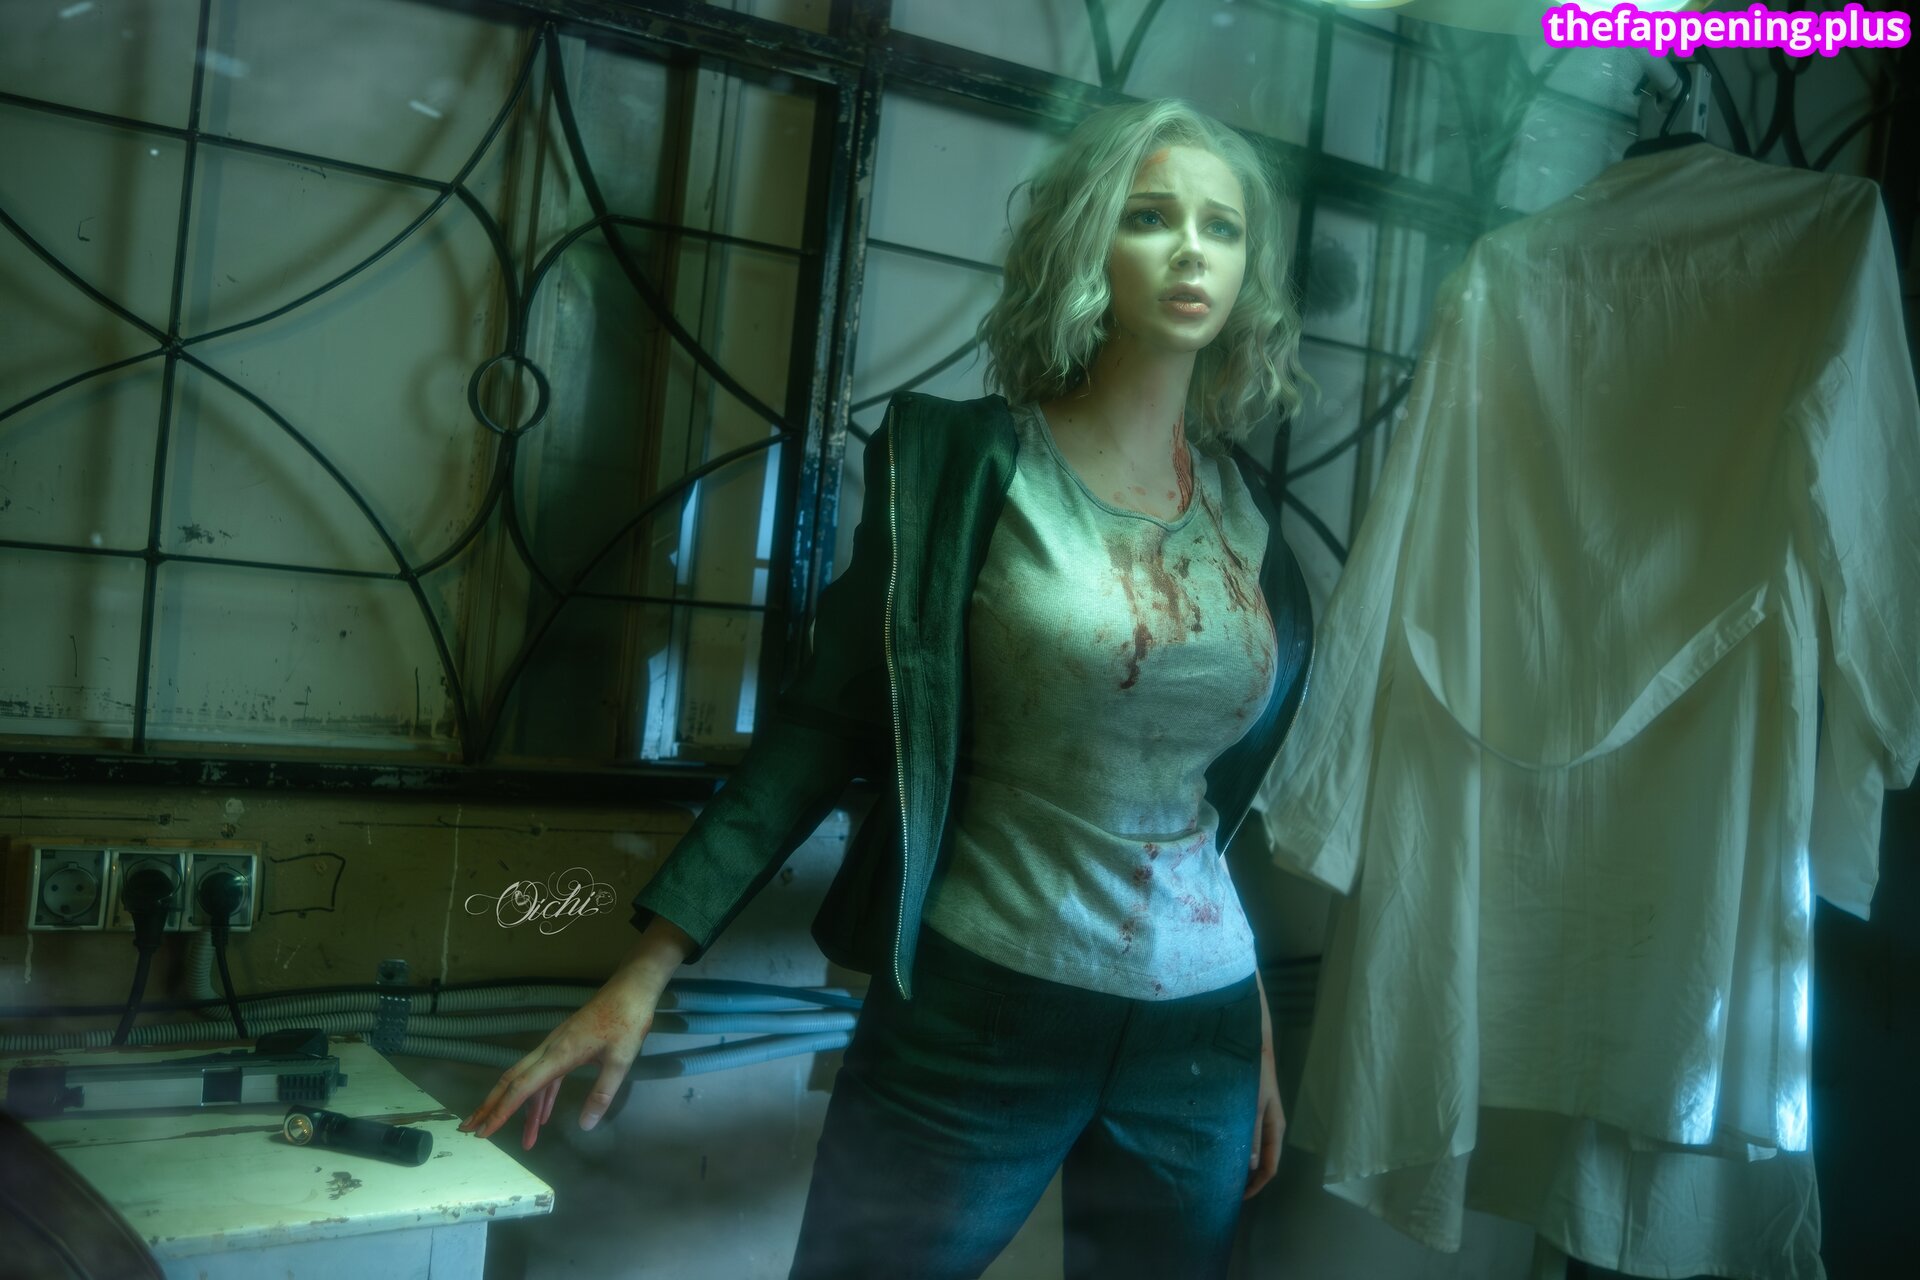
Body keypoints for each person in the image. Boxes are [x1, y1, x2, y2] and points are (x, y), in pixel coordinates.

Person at [461, 96, 1316, 1280]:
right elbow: (820, 728)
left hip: (1199, 1033)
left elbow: (1206, 808)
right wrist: (646, 967)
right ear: (1089, 243)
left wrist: (1253, 1024)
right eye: (1151, 217)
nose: (1191, 251)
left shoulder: (1248, 525)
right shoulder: (966, 470)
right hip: (982, 1005)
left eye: (1221, 228)